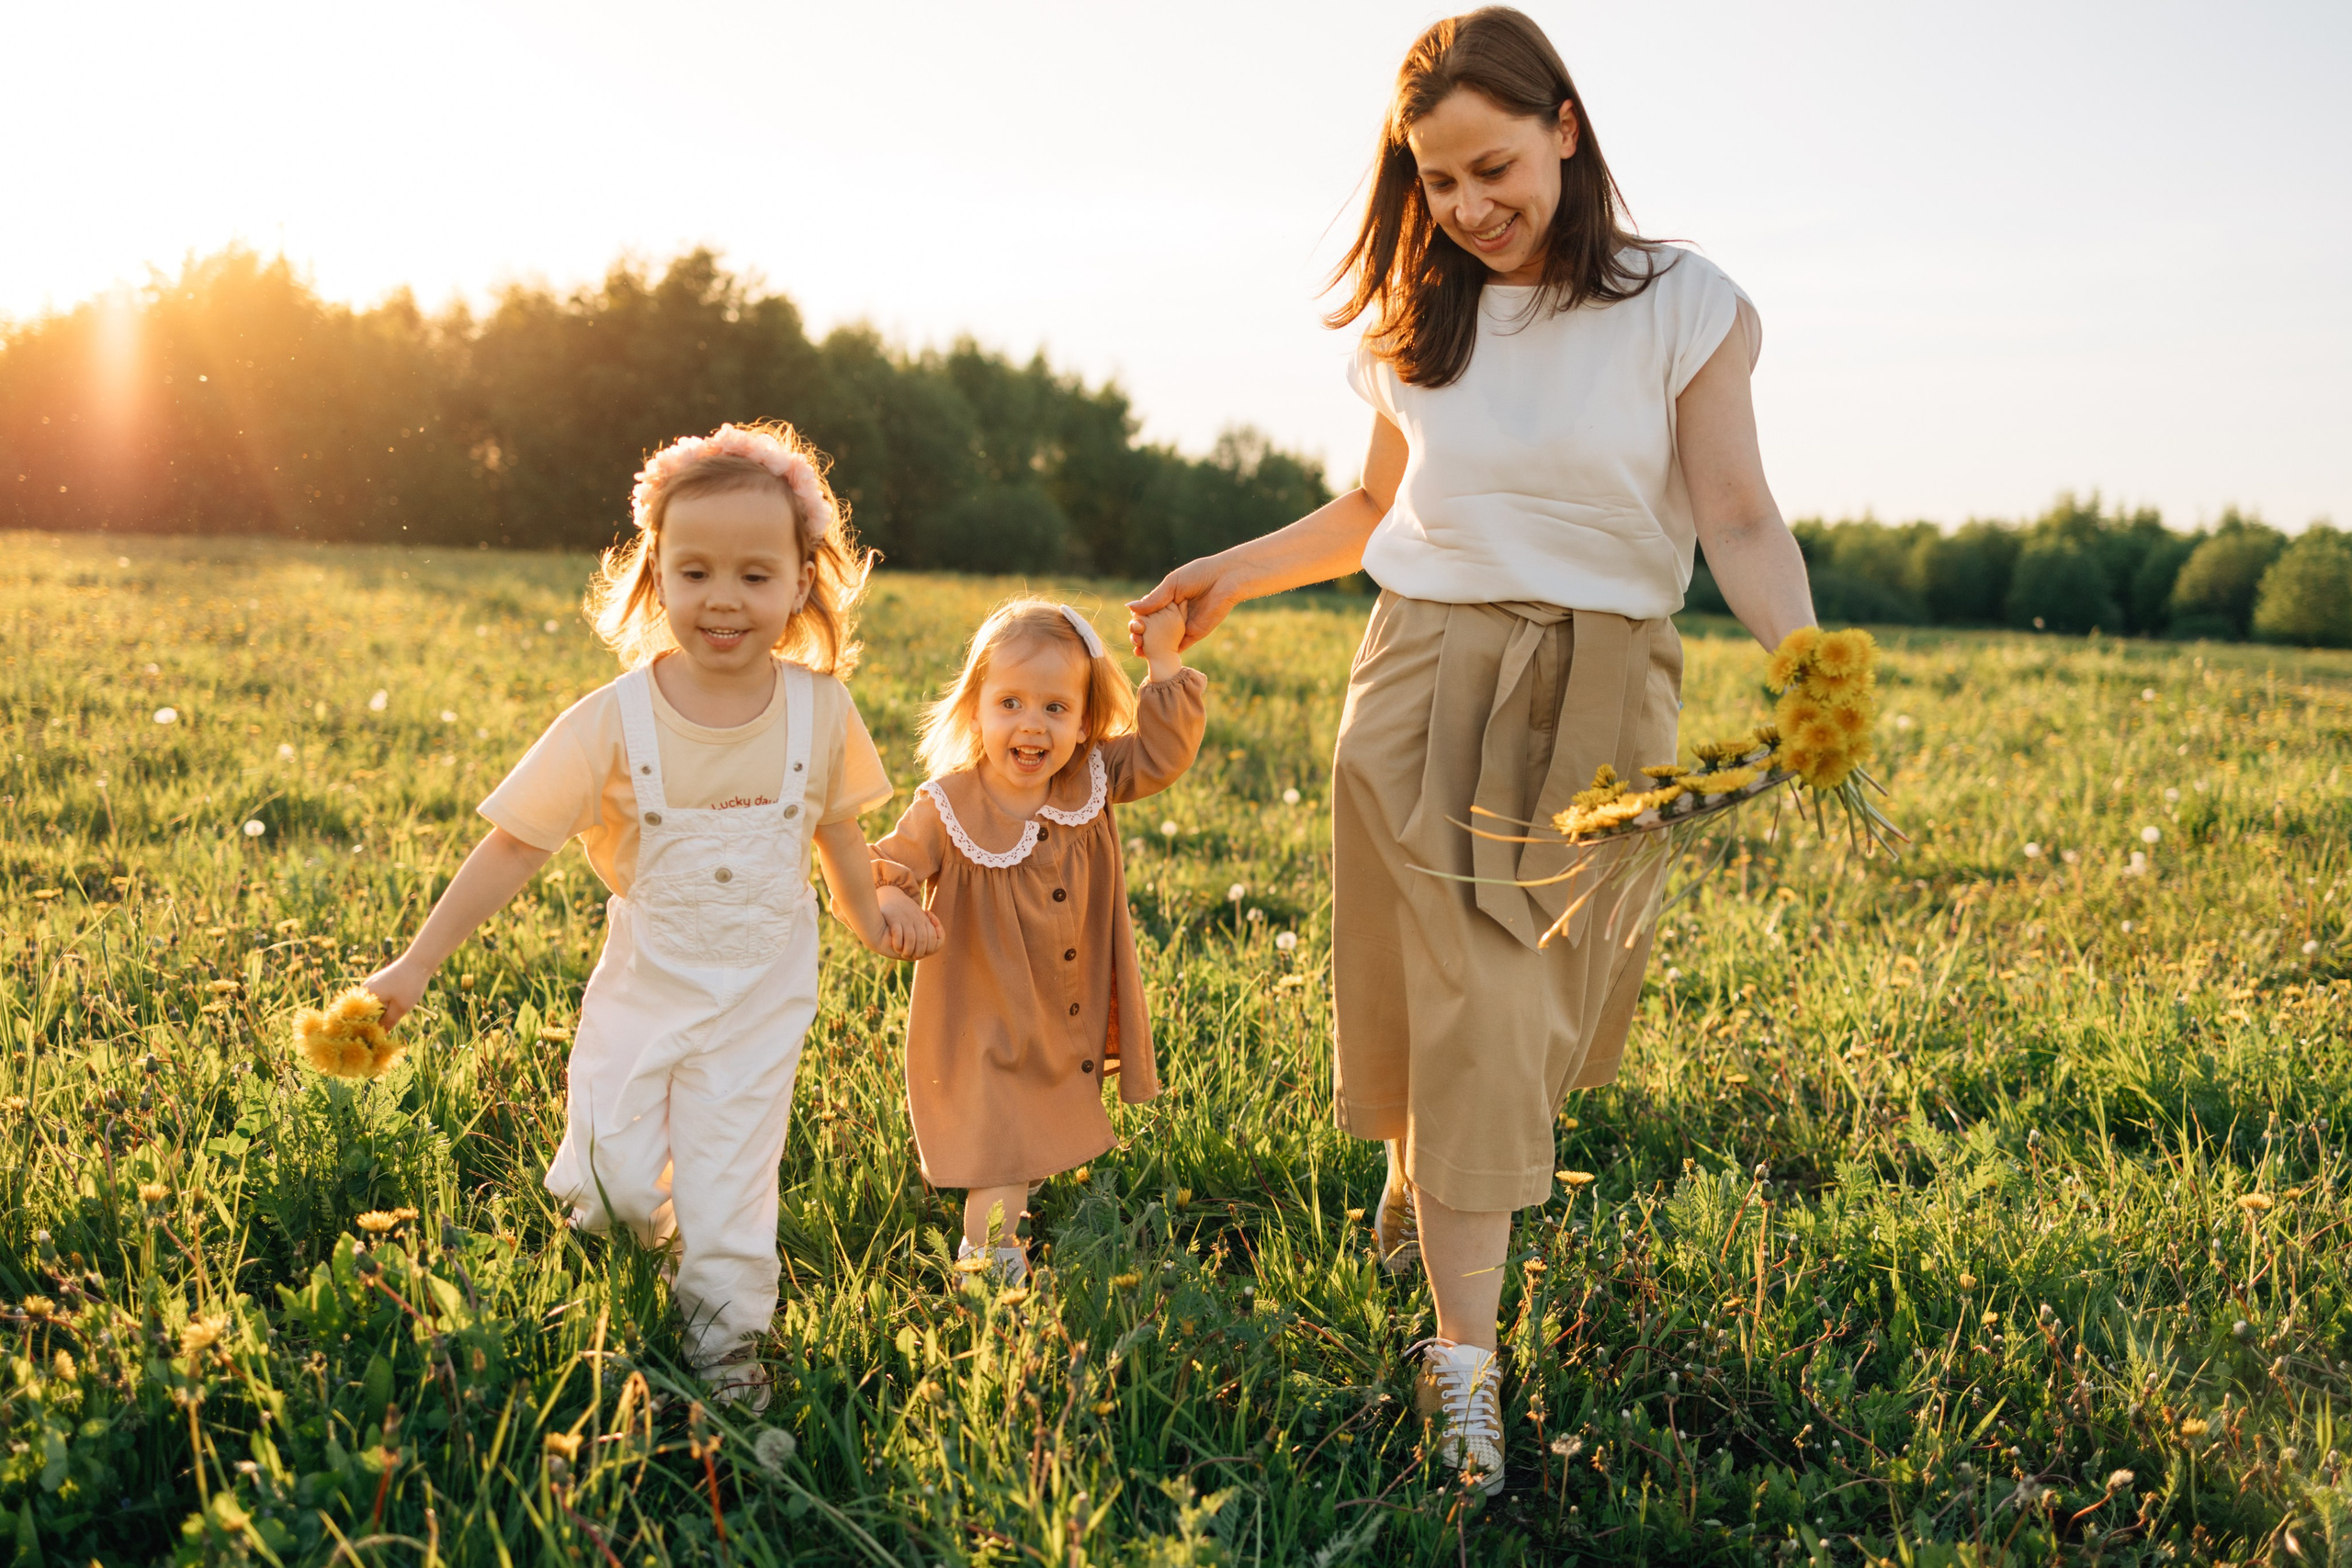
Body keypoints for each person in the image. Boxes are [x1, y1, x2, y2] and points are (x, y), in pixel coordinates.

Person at [1127, 7, 1817, 1493]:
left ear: (1566, 129)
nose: (1466, 206)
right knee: (1458, 990)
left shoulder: (1685, 304)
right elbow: (1371, 511)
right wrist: (1229, 572)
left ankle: (1428, 1179)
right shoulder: (1419, 318)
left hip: (1601, 685)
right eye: (1437, 181)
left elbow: (1739, 514)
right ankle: (1463, 1366)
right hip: (1418, 670)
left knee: (1519, 1009)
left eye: (1492, 168)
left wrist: (1812, 663)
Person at [363, 422, 937, 1411]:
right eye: (695, 571)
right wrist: (415, 963)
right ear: (656, 575)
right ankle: (632, 1247)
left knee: (731, 1175)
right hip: (647, 990)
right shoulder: (613, 720)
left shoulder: (822, 711)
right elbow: (514, 846)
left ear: (801, 581)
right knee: (616, 1183)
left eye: (755, 575)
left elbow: (837, 835)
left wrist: (872, 911)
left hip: (762, 995)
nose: (724, 599)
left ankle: (727, 1345)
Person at [867, 599, 1204, 1280]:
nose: (1032, 724)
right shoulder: (947, 806)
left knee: (1029, 1137)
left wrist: (1165, 660)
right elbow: (887, 867)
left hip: (1061, 1013)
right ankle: (991, 1278)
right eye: (1010, 703)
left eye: (1055, 707)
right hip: (985, 1018)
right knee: (1002, 1149)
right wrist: (890, 900)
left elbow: (1163, 753)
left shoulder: (1091, 778)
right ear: (976, 710)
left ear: (1083, 722)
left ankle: (1003, 1247)